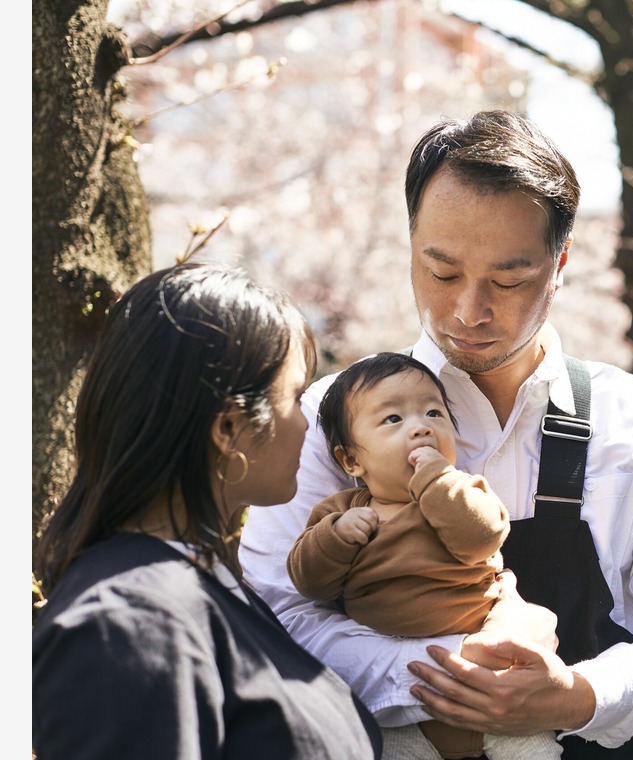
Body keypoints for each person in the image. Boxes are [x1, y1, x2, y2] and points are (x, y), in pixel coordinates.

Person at [238, 109, 633, 759]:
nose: (468, 311)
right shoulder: (327, 416)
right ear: (411, 245)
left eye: (509, 279)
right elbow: (275, 614)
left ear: (560, 263)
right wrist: (458, 675)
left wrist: (578, 693)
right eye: (442, 271)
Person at [32, 262, 385, 759]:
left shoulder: (204, 585)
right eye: (294, 397)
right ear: (227, 430)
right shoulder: (127, 623)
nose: (309, 425)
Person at [287, 351, 561, 760]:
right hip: (399, 708)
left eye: (434, 414)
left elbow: (483, 538)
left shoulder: (463, 491)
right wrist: (335, 538)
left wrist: (437, 478)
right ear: (351, 459)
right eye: (393, 420)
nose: (420, 428)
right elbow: (310, 582)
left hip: (494, 686)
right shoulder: (342, 512)